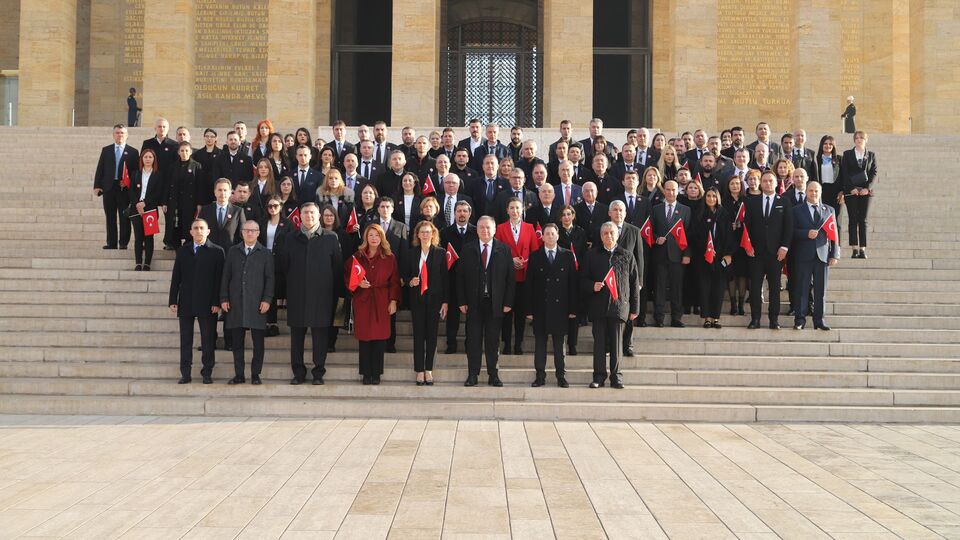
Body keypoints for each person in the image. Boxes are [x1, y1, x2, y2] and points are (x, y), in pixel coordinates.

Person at [281, 202, 344, 385]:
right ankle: (298, 372)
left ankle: (318, 372)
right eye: (306, 212)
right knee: (297, 338)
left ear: (319, 216)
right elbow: (285, 265)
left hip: (322, 297)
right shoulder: (290, 237)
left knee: (320, 338)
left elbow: (337, 269)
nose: (309, 216)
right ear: (300, 216)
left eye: (312, 213)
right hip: (297, 295)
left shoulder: (331, 237)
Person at [457, 216, 515, 387]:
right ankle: (472, 374)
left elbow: (510, 279)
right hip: (474, 303)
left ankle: (493, 374)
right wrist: (461, 301)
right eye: (481, 227)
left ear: (495, 229)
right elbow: (460, 278)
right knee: (473, 339)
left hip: (495, 303)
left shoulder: (504, 249)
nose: (485, 230)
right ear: (477, 229)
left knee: (493, 340)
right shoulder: (468, 249)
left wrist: (508, 302)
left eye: (488, 227)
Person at [581, 222, 640, 389]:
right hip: (598, 307)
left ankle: (616, 377)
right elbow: (582, 280)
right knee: (599, 344)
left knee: (616, 345)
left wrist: (635, 309)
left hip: (619, 306)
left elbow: (634, 283)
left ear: (617, 235)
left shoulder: (627, 255)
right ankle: (599, 376)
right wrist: (592, 286)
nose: (608, 236)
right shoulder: (592, 255)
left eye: (611, 233)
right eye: (605, 233)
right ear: (601, 236)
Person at [169, 219, 224, 384]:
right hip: (186, 301)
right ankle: (185, 373)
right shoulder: (183, 251)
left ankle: (207, 372)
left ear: (208, 231)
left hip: (208, 303)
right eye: (195, 228)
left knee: (207, 340)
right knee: (185, 339)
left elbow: (219, 280)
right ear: (191, 232)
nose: (199, 231)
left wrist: (217, 302)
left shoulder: (217, 251)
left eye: (202, 228)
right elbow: (176, 277)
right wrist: (173, 299)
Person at [220, 221, 274, 385]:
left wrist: (267, 299)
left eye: (253, 231)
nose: (250, 233)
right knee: (237, 343)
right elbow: (226, 276)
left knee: (258, 343)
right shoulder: (233, 251)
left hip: (257, 303)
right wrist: (224, 298)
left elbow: (270, 279)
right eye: (246, 230)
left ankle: (255, 374)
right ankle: (239, 375)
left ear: (258, 233)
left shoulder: (265, 253)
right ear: (242, 233)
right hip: (236, 302)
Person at [525, 223, 577, 388]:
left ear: (557, 235)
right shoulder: (535, 256)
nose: (549, 236)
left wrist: (572, 308)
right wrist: (529, 309)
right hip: (540, 307)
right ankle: (540, 376)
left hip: (560, 308)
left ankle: (561, 376)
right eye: (546, 233)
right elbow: (529, 285)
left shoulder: (567, 255)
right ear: (543, 236)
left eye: (552, 233)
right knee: (540, 344)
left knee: (559, 345)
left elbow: (571, 284)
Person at [349, 224, 401, 385]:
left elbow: (394, 282)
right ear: (366, 237)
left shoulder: (389, 257)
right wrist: (358, 284)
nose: (373, 238)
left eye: (377, 235)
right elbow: (349, 277)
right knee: (364, 337)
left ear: (381, 238)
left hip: (381, 300)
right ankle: (366, 373)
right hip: (363, 300)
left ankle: (376, 373)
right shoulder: (358, 256)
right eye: (370, 235)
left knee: (379, 338)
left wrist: (393, 301)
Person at [744, 171, 793, 330]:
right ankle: (755, 319)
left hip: (775, 253)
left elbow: (788, 227)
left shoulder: (784, 202)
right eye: (764, 181)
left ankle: (774, 320)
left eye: (770, 181)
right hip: (756, 253)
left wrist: (784, 247)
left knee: (774, 289)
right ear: (760, 183)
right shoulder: (752, 202)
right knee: (755, 287)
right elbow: (747, 227)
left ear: (776, 183)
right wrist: (748, 246)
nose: (767, 183)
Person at [403, 221, 448, 385]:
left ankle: (428, 369)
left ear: (433, 234)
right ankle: (419, 370)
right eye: (422, 232)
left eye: (428, 232)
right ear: (417, 235)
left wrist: (445, 302)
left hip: (435, 300)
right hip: (417, 300)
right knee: (418, 336)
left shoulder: (441, 253)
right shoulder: (410, 253)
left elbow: (445, 279)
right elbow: (404, 275)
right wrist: (410, 282)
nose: (425, 235)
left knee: (432, 336)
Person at [792, 181, 840, 330]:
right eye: (811, 191)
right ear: (806, 192)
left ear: (820, 193)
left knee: (821, 291)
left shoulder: (829, 210)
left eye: (816, 191)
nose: (814, 194)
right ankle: (800, 320)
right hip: (803, 255)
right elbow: (791, 232)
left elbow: (835, 234)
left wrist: (835, 254)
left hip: (823, 256)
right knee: (802, 289)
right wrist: (806, 233)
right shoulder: (796, 210)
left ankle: (819, 321)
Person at [495, 198, 541, 355]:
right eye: (512, 208)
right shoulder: (500, 228)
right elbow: (496, 252)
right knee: (506, 311)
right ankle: (507, 343)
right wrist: (510, 261)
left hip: (524, 276)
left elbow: (535, 251)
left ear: (522, 210)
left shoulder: (529, 228)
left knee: (521, 313)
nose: (515, 211)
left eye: (517, 208)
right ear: (507, 210)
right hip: (506, 277)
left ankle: (518, 343)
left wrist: (525, 263)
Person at [606, 201, 645, 354]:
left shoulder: (634, 231)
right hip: (609, 278)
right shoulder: (604, 229)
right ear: (609, 213)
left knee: (629, 313)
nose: (618, 213)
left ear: (625, 213)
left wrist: (639, 280)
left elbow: (639, 257)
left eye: (621, 210)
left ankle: (627, 344)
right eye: (615, 210)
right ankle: (609, 345)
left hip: (628, 280)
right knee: (610, 313)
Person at [651, 180, 692, 327]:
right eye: (667, 190)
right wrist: (656, 238)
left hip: (678, 255)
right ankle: (659, 318)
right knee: (660, 288)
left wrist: (687, 254)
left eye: (673, 190)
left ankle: (676, 318)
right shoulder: (656, 209)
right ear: (664, 191)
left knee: (677, 288)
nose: (670, 192)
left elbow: (688, 234)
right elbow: (651, 231)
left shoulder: (685, 210)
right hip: (660, 255)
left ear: (678, 191)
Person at [94, 124, 139, 250]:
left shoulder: (133, 152)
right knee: (110, 216)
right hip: (108, 187)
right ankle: (111, 243)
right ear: (113, 135)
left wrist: (128, 181)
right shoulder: (106, 150)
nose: (120, 135)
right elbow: (100, 168)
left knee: (124, 216)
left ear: (127, 135)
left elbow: (136, 172)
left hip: (124, 189)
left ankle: (123, 242)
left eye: (122, 133)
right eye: (117, 133)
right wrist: (97, 185)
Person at [440, 201, 477, 354]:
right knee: (453, 316)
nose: (462, 214)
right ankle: (451, 344)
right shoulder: (445, 232)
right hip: (452, 279)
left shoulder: (476, 232)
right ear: (454, 213)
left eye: (465, 211)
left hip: (472, 280)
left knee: (472, 317)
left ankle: (470, 344)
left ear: (469, 213)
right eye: (459, 211)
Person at [694, 188, 734, 328]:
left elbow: (729, 235)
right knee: (705, 289)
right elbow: (695, 236)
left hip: (721, 258)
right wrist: (707, 250)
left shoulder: (724, 214)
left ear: (718, 198)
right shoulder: (700, 214)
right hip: (704, 258)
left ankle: (715, 318)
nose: (711, 199)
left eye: (714, 196)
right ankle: (706, 318)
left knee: (718, 288)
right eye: (708, 196)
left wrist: (728, 254)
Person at [841, 131, 878, 259]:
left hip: (865, 193)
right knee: (852, 219)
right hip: (851, 192)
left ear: (866, 140)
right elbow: (844, 172)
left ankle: (862, 248)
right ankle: (854, 248)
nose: (858, 140)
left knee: (863, 220)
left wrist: (867, 188)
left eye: (861, 138)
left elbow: (873, 172)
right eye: (856, 138)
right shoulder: (847, 154)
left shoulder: (871, 155)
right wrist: (851, 188)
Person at [320, 205, 352, 352]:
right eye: (326, 215)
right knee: (324, 311)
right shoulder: (317, 234)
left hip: (340, 279)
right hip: (322, 280)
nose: (328, 218)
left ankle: (332, 341)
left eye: (331, 215)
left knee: (338, 311)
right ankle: (323, 340)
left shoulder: (343, 235)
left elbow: (348, 257)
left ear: (335, 217)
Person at [128, 148, 165, 272]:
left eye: (150, 157)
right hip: (136, 209)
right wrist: (138, 204)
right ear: (141, 159)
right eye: (145, 157)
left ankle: (147, 263)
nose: (148, 159)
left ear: (154, 159)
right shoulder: (135, 173)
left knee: (149, 237)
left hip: (150, 210)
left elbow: (157, 193)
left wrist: (145, 203)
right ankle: (138, 262)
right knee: (138, 237)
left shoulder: (158, 174)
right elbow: (131, 191)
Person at [557, 205, 587, 353]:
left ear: (573, 216)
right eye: (563, 215)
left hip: (577, 273)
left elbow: (583, 252)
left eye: (569, 214)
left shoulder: (580, 232)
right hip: (560, 275)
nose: (566, 217)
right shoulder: (556, 231)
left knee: (574, 311)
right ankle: (561, 342)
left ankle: (572, 344)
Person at [260, 196, 291, 337]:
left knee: (281, 290)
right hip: (265, 261)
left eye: (275, 206)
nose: (272, 208)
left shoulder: (288, 224)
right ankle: (271, 324)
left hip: (281, 263)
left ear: (281, 207)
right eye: (270, 206)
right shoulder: (262, 223)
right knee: (269, 292)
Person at [723, 174, 749, 316]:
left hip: (743, 243)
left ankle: (741, 304)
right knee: (731, 275)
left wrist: (740, 225)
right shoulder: (724, 202)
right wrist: (729, 226)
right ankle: (733, 304)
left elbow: (751, 221)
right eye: (732, 184)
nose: (735, 186)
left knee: (742, 275)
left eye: (737, 184)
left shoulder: (746, 201)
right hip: (729, 244)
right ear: (728, 186)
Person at [814, 135, 843, 249]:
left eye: (830, 144)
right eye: (825, 143)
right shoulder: (816, 159)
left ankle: (836, 247)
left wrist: (842, 192)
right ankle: (823, 245)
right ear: (822, 145)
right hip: (821, 191)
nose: (828, 146)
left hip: (835, 192)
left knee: (836, 220)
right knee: (822, 219)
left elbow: (843, 176)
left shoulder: (839, 159)